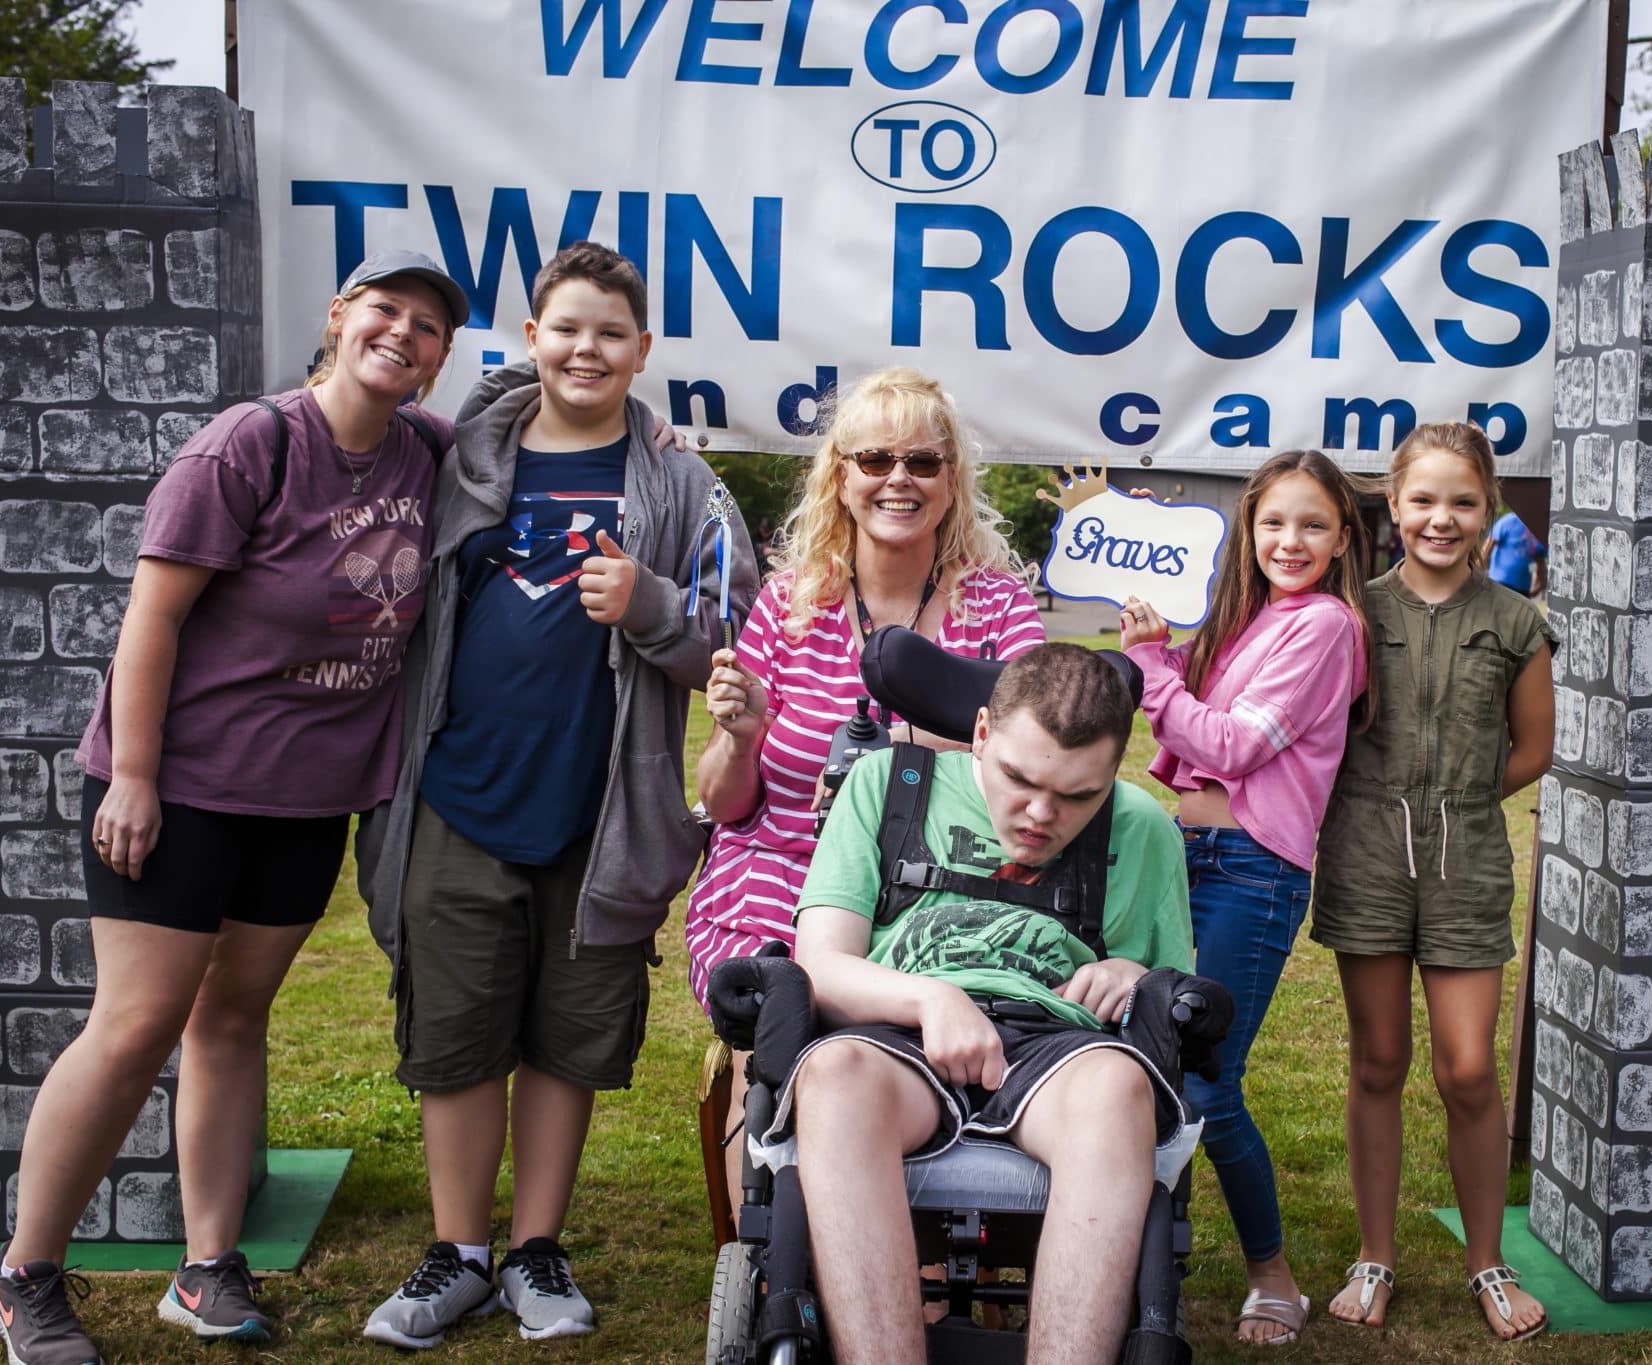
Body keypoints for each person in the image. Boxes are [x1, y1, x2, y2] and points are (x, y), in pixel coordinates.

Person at [0, 252, 467, 1364]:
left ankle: (204, 1269)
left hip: (304, 798)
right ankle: (23, 1275)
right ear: (338, 318)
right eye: (385, 311)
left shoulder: (426, 451)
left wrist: (662, 441)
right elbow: (150, 619)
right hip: (181, 786)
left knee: (232, 1020)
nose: (403, 333)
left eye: (428, 326)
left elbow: (532, 436)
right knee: (135, 1026)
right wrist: (135, 774)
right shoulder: (251, 444)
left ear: (440, 358)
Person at [355, 241, 755, 1348]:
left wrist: (648, 603)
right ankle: (457, 1254)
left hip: (599, 807)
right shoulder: (455, 458)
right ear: (531, 338)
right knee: (457, 1030)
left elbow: (735, 638)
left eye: (610, 334)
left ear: (642, 352)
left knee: (565, 1036)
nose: (587, 349)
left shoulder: (682, 483)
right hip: (453, 792)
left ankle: (535, 1249)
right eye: (566, 327)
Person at [684, 369, 1043, 1202]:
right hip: (785, 869)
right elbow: (731, 803)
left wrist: (912, 742)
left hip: (940, 877)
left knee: (903, 1019)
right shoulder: (789, 604)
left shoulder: (996, 609)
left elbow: (1035, 767)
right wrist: (743, 737)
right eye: (875, 458)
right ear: (840, 477)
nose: (899, 479)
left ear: (953, 479)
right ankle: (774, 1262)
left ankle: (905, 1254)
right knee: (773, 1009)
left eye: (923, 460)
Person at [783, 643, 1193, 1365]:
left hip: (1056, 1041)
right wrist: (930, 996)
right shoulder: (889, 783)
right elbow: (820, 961)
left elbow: (1173, 986)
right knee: (833, 1077)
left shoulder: (1141, 827)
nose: (1041, 814)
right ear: (979, 734)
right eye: (1019, 779)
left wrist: (1131, 970)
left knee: (1120, 1087)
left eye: (1078, 795)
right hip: (896, 1026)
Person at [1116, 450, 1371, 1348]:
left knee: (1205, 1082)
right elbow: (1174, 696)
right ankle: (1135, 1254)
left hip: (1251, 870)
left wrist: (1151, 665)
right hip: (1183, 856)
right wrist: (1149, 581)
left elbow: (1224, 743)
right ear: (1247, 529)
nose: (1289, 540)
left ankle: (1275, 1276)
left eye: (1311, 524)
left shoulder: (1327, 628)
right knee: (1138, 1060)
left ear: (1343, 538)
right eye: (1272, 522)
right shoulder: (1249, 619)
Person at [1309, 421, 1555, 1340]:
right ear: (1393, 505)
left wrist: (1451, 797)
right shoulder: (1350, 612)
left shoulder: (1517, 620)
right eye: (1423, 500)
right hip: (1367, 856)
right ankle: (1375, 1255)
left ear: (1488, 507)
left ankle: (1487, 1263)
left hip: (1467, 860)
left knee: (1467, 1067)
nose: (1440, 519)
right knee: (1378, 1062)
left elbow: (1534, 747)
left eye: (1462, 501)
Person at [1486, 508, 1545, 596]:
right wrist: (1473, 576)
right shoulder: (1508, 521)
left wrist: (1540, 585)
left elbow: (1540, 564)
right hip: (1499, 582)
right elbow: (1486, 549)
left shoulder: (1539, 530)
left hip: (1522, 589)